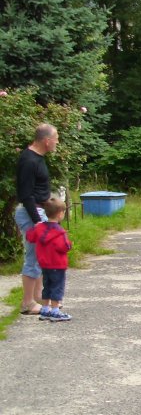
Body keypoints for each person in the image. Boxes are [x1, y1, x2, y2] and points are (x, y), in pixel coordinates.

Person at [14, 124, 59, 315]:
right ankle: (27, 303)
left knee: (40, 257)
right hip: (32, 213)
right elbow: (26, 194)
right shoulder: (29, 160)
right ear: (47, 140)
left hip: (40, 212)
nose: (57, 142)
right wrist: (38, 222)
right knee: (33, 257)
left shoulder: (38, 158)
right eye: (56, 138)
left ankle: (39, 298)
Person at [25, 197, 73, 322]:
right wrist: (69, 244)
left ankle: (45, 309)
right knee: (57, 286)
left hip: (44, 264)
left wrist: (35, 226)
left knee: (47, 286)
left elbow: (29, 237)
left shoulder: (39, 228)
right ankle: (55, 310)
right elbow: (64, 247)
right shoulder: (59, 232)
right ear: (60, 214)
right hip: (58, 264)